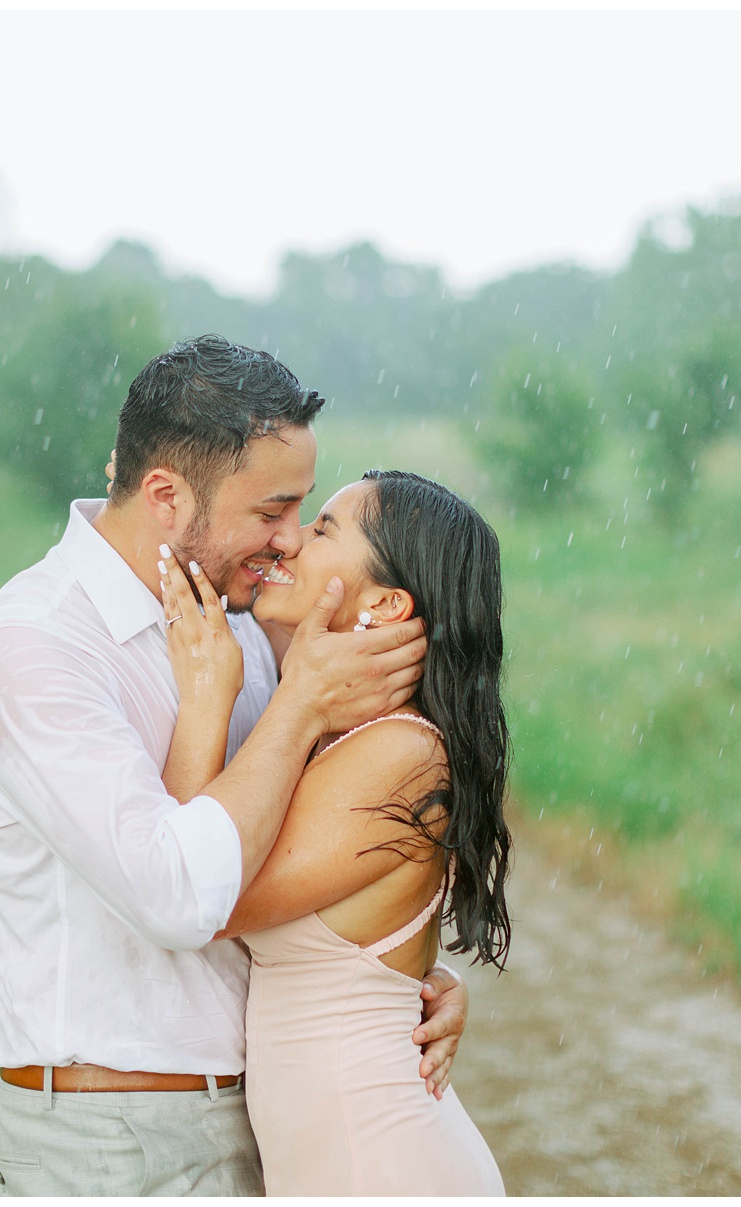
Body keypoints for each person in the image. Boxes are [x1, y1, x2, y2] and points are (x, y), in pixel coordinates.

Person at [0, 336, 471, 1196]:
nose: (289, 540)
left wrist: (404, 980)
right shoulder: (33, 650)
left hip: (265, 1121)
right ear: (165, 496)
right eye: (273, 509)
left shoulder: (239, 626)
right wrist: (298, 704)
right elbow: (178, 893)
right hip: (115, 1139)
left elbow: (291, 854)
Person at [156, 469, 510, 1195]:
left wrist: (204, 699)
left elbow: (198, 892)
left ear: (385, 603)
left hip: (379, 1163)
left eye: (322, 530)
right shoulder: (347, 740)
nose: (290, 541)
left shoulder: (400, 752)